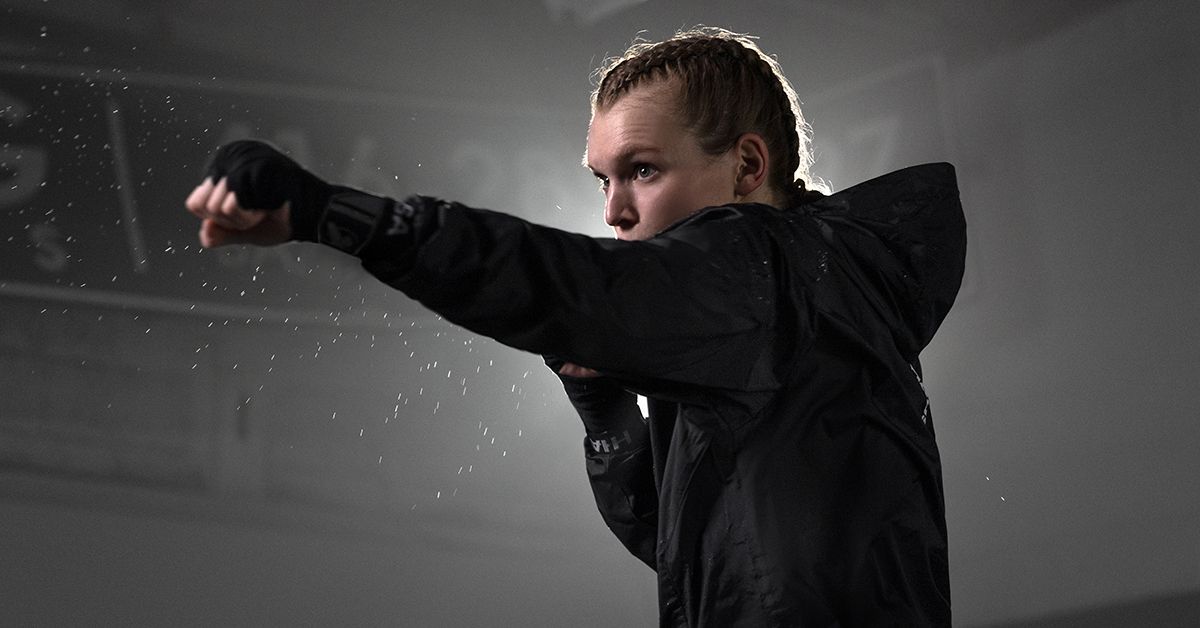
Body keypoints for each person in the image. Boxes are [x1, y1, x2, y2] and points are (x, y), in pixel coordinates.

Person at [185, 27, 965, 627]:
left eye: (643, 170)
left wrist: (336, 214)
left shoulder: (764, 266)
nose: (615, 211)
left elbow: (563, 278)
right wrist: (604, 409)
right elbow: (691, 547)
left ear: (748, 167)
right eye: (603, 179)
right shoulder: (791, 304)